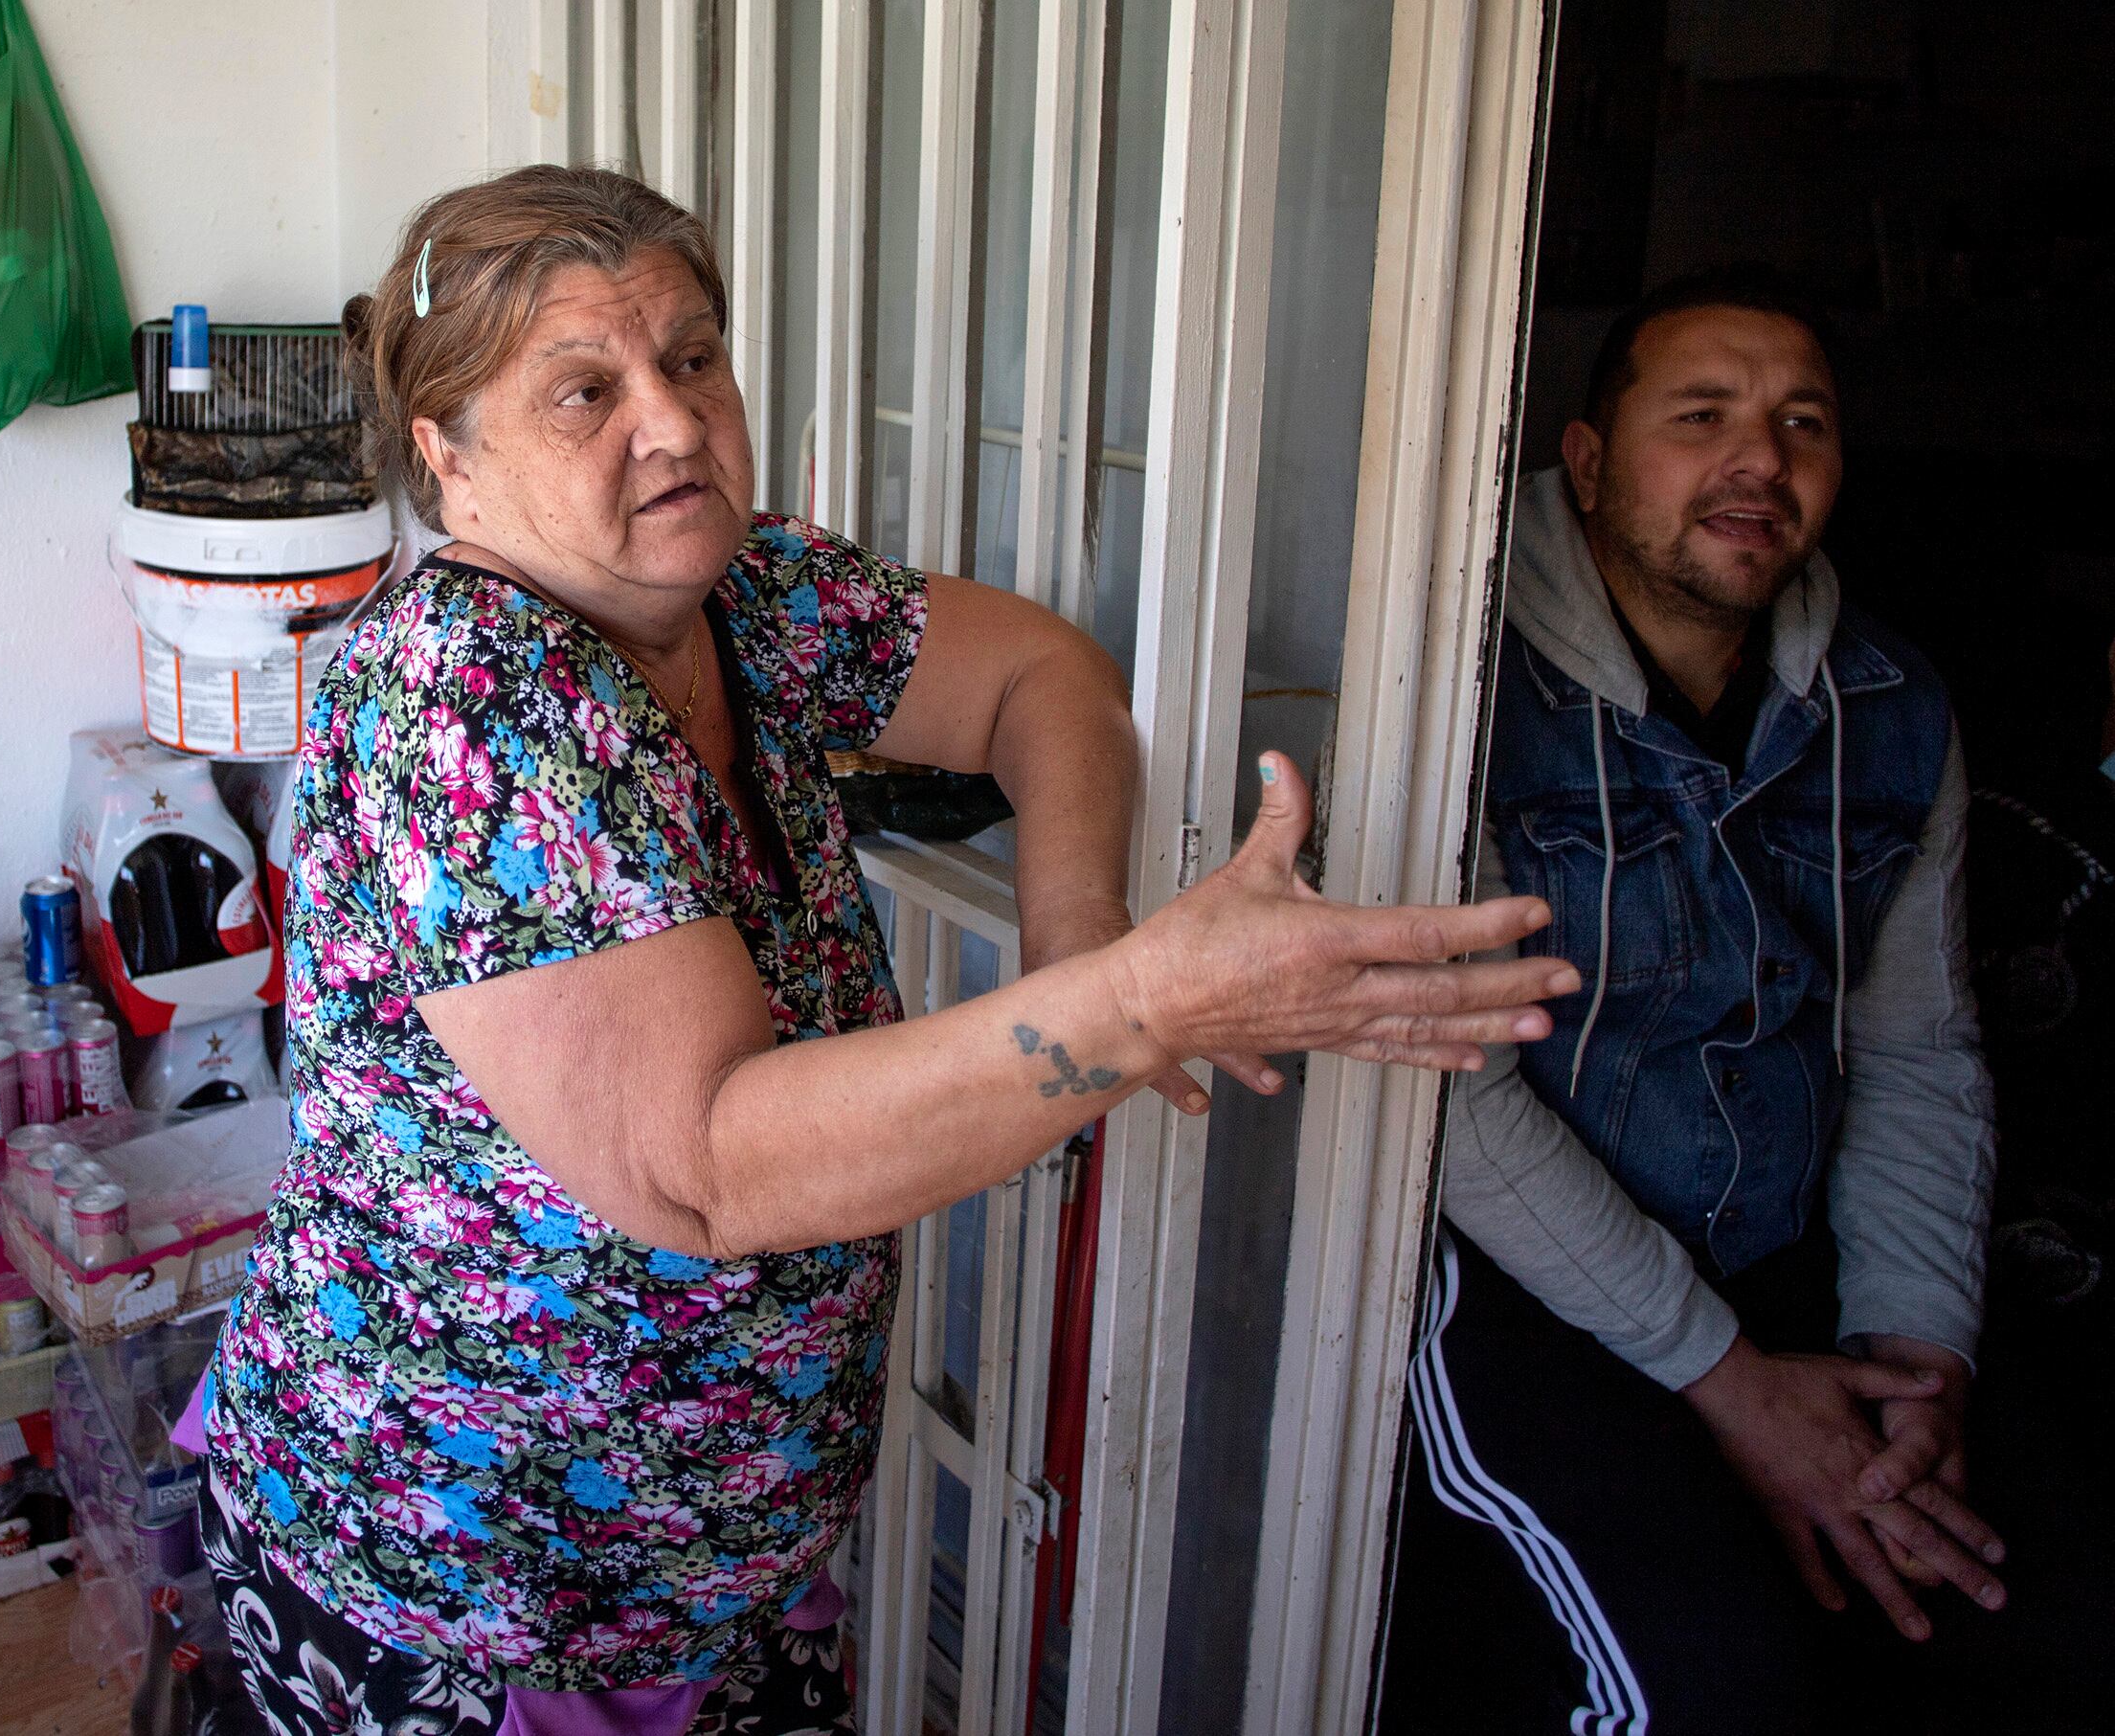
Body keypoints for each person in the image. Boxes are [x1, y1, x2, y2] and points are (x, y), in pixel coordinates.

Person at [197, 165, 1572, 1736]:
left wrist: (1078, 939)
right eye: (585, 389)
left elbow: (1039, 678)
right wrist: (1127, 1009)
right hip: (482, 1590)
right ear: (448, 457)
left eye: (693, 357)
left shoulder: (740, 593)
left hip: (721, 1563)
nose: (669, 421)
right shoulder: (469, 702)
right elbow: (703, 1164)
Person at [1382, 269, 2001, 1734]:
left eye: (1801, 423)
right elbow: (1448, 1100)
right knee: (1698, 1691)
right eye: (1701, 416)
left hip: (1777, 1254)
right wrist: (1731, 1387)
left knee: (1998, 1610)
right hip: (1508, 1289)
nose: (1759, 463)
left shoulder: (1891, 706)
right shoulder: (1450, 689)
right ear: (1587, 462)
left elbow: (1918, 1049)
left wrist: (1912, 1359)